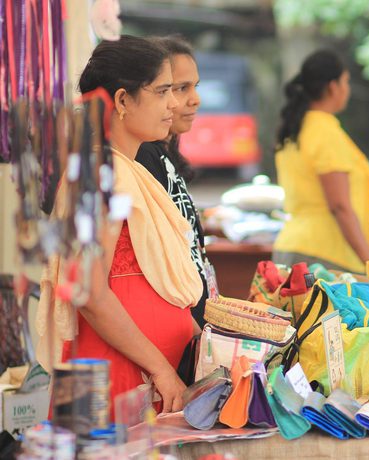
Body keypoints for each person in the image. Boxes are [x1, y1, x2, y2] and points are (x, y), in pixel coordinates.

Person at [37, 36, 203, 416]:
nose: (174, 103)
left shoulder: (129, 171)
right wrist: (160, 367)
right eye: (162, 92)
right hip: (111, 373)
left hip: (145, 371)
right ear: (124, 100)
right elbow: (91, 293)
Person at [273, 50, 369, 274]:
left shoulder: (296, 129)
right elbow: (339, 206)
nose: (347, 89)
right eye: (346, 82)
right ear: (333, 86)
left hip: (292, 247)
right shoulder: (325, 132)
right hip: (324, 256)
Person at [135, 35, 210, 328]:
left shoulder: (162, 153)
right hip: (175, 323)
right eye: (179, 88)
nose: (195, 99)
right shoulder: (143, 155)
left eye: (195, 86)